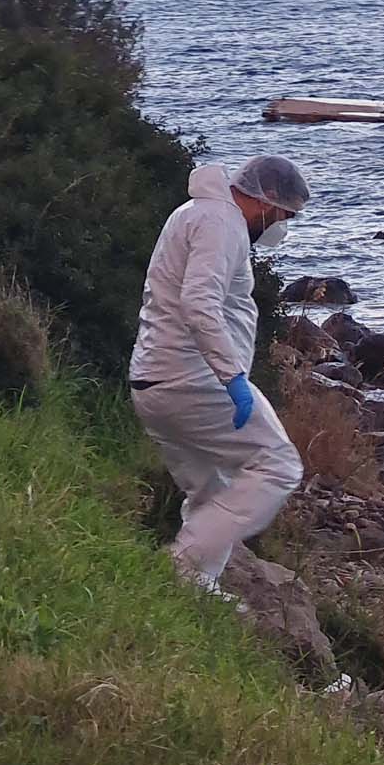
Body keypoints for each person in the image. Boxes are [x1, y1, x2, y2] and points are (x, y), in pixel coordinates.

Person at [129, 155, 308, 597]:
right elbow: (199, 304)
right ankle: (181, 565)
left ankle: (194, 592)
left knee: (212, 492)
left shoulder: (195, 213)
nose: (281, 225)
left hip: (154, 380)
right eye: (284, 215)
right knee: (278, 466)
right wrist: (232, 379)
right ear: (265, 201)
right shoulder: (220, 223)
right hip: (191, 379)